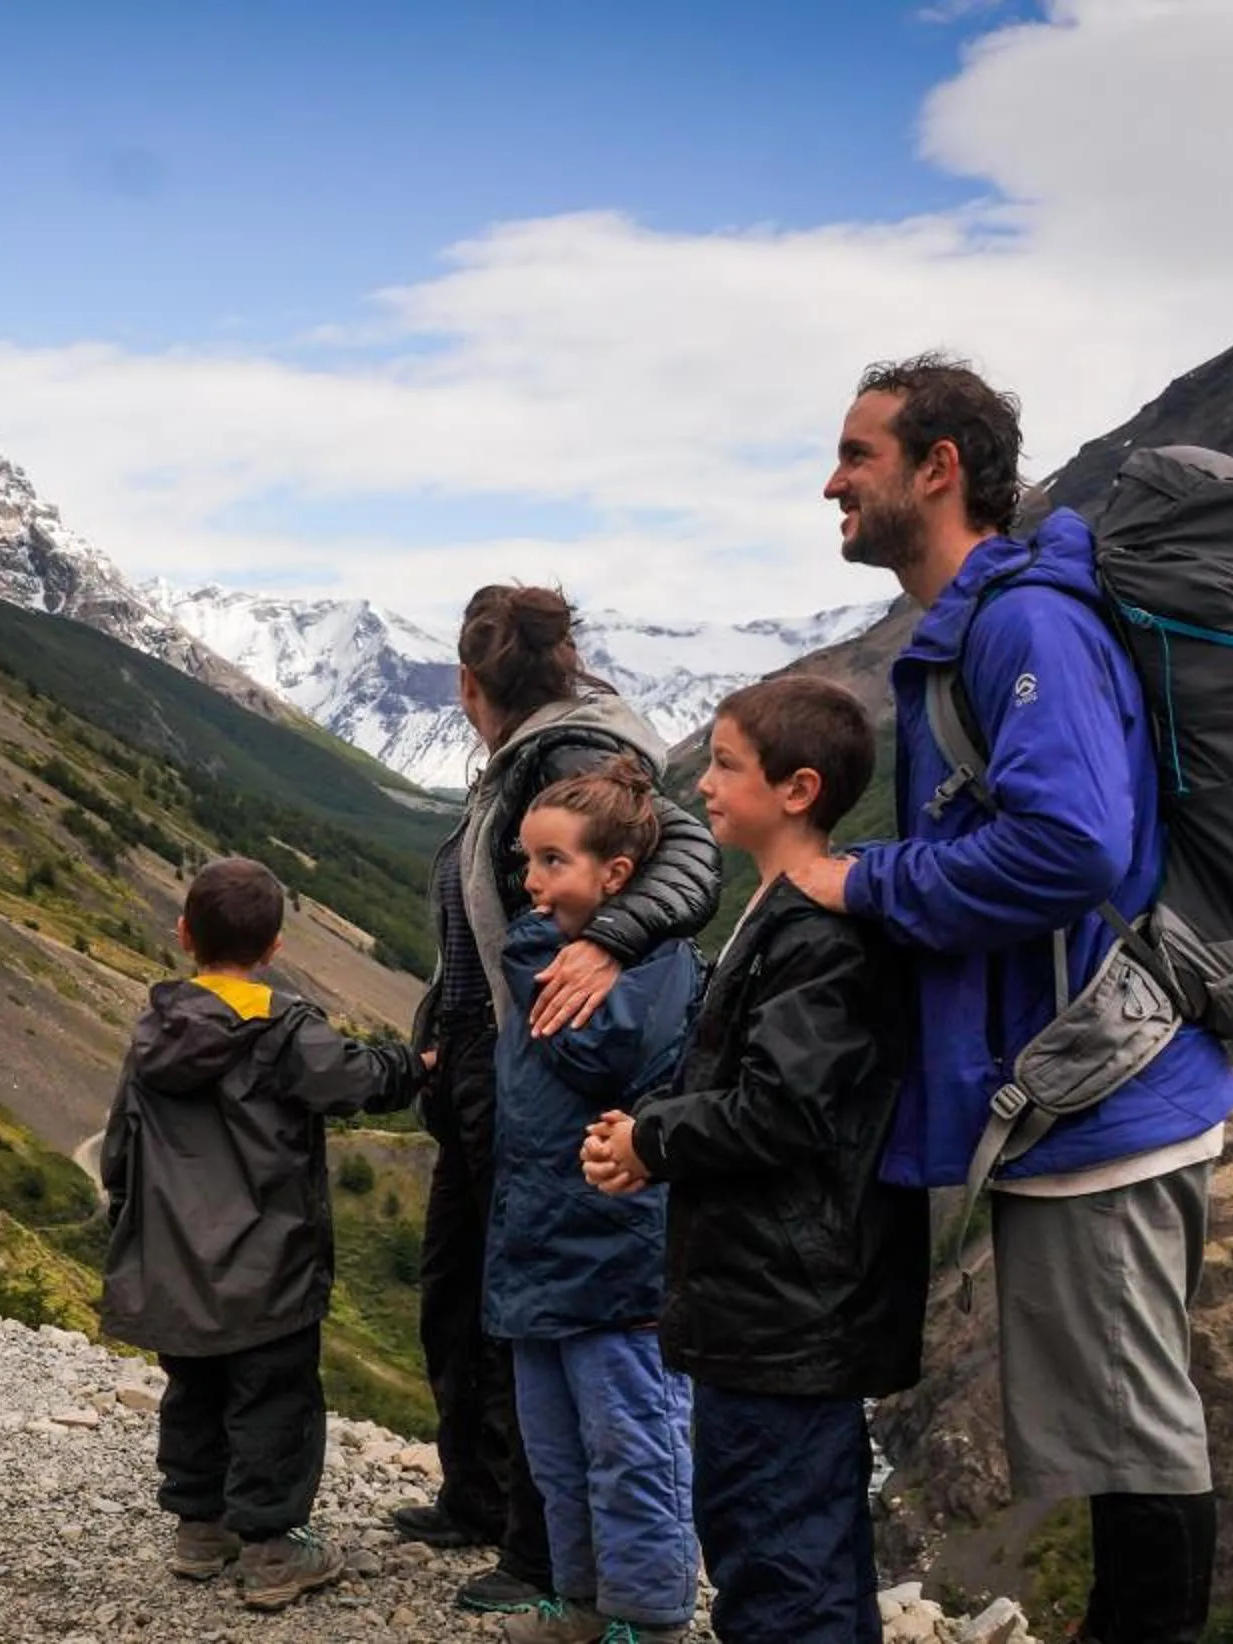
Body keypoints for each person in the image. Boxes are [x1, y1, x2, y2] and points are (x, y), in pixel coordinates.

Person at [788, 355, 1233, 1644]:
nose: (832, 484)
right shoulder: (990, 623)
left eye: (858, 455)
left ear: (938, 469)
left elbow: (1070, 846)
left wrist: (865, 881)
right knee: (1120, 1416)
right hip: (1080, 1087)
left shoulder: (1022, 626)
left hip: (1103, 1088)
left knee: (1138, 1429)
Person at [398, 584, 720, 1616]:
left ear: (469, 684)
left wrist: (604, 940)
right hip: (497, 1056)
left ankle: (539, 1551)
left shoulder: (566, 756)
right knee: (474, 1290)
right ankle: (490, 1506)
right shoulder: (533, 752)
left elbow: (682, 853)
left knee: (530, 1312)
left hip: (536, 1068)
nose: (535, 874)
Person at [587, 677, 927, 1643]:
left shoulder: (817, 930)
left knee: (773, 1556)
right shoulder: (789, 911)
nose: (703, 782)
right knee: (801, 1549)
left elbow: (782, 1109)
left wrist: (653, 1141)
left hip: (783, 1302)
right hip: (782, 1292)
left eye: (727, 764)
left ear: (797, 789)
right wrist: (652, 1132)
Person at [97, 857, 422, 1612]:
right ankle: (273, 1549)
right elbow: (355, 1081)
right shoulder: (284, 1028)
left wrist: (132, 1230)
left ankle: (200, 1530)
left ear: (184, 935)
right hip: (269, 1263)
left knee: (193, 1391)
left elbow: (121, 1146)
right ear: (275, 947)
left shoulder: (156, 1031)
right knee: (274, 1401)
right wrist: (415, 1065)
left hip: (177, 1264)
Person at [481, 764, 703, 1644]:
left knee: (631, 1444)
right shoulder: (561, 956)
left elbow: (601, 1053)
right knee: (558, 1451)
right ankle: (582, 1602)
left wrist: (532, 955)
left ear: (615, 875)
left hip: (617, 1257)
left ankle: (648, 1617)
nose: (531, 884)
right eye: (526, 862)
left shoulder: (655, 964)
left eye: (553, 862)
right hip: (541, 1242)